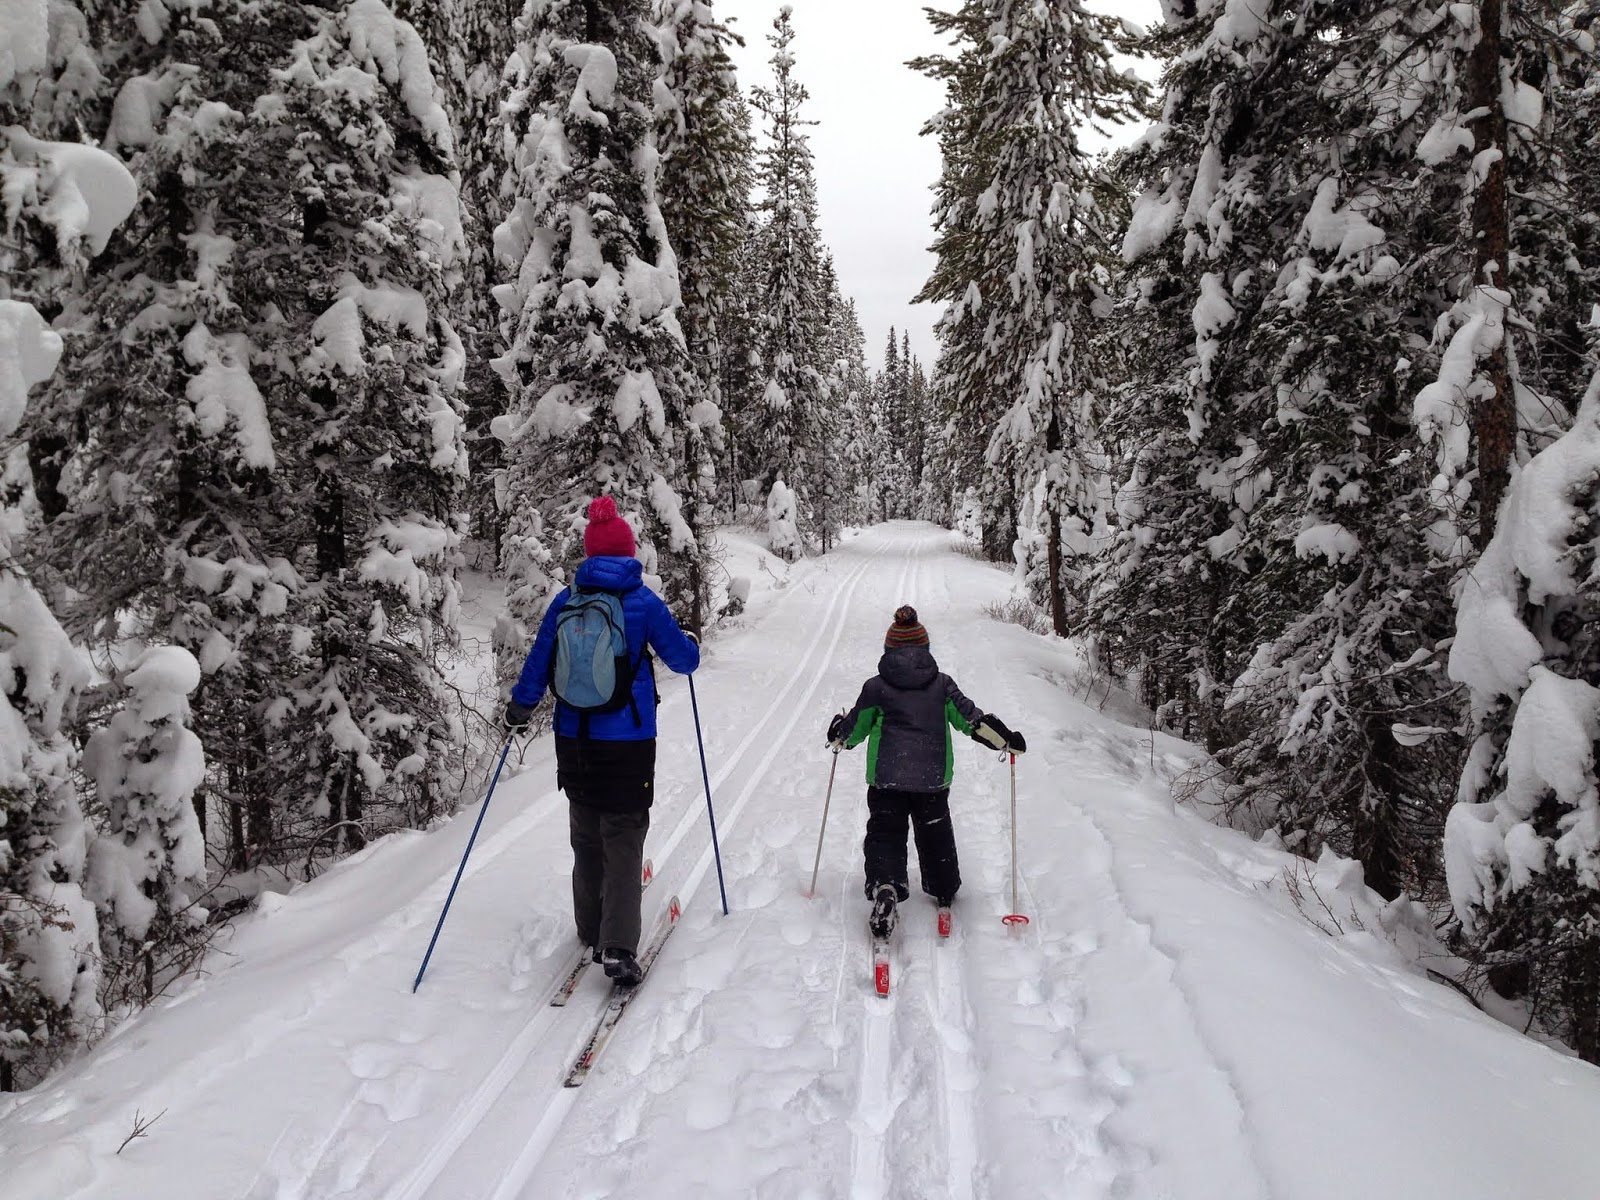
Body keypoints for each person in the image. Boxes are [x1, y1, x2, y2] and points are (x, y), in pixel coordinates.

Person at [504, 495, 700, 986]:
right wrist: (691, 647)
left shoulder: (566, 601)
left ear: (590, 555)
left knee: (586, 835)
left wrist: (519, 710)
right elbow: (683, 661)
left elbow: (537, 665)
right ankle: (616, 946)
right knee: (624, 835)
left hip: (574, 740)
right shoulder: (642, 601)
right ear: (629, 553)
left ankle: (590, 927)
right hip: (629, 743)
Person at [827, 605, 1026, 938]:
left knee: (885, 832)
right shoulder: (942, 685)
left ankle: (886, 886)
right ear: (925, 650)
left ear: (889, 649)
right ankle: (943, 887)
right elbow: (972, 721)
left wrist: (838, 734)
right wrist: (1006, 740)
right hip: (932, 779)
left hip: (886, 779)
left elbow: (854, 728)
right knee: (935, 831)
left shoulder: (876, 687)